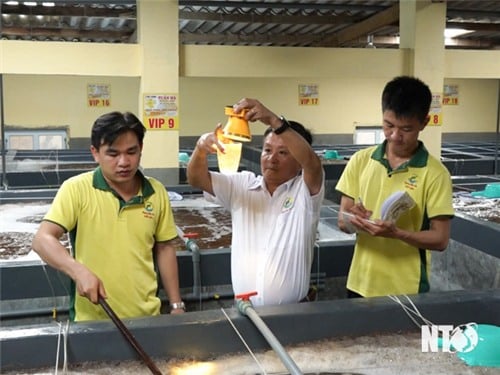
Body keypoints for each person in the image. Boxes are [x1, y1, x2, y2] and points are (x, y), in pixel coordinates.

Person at [32, 111, 185, 321]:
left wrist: (176, 305)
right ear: (95, 153)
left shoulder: (156, 192)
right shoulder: (76, 189)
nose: (124, 162)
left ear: (141, 149)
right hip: (92, 319)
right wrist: (79, 272)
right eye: (113, 154)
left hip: (148, 317)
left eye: (131, 152)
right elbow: (42, 240)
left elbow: (165, 248)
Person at [187, 98, 325, 306]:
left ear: (298, 161)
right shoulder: (242, 186)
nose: (272, 159)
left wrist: (272, 120)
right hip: (245, 312)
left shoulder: (304, 193)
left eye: (283, 152)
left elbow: (312, 164)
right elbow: (197, 179)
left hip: (293, 314)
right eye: (267, 150)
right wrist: (200, 150)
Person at [336, 76, 454, 298]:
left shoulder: (436, 174)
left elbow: (440, 239)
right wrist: (355, 220)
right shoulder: (361, 160)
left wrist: (397, 233)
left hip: (407, 290)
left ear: (424, 123)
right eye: (388, 125)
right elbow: (342, 222)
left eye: (406, 129)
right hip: (359, 283)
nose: (395, 136)